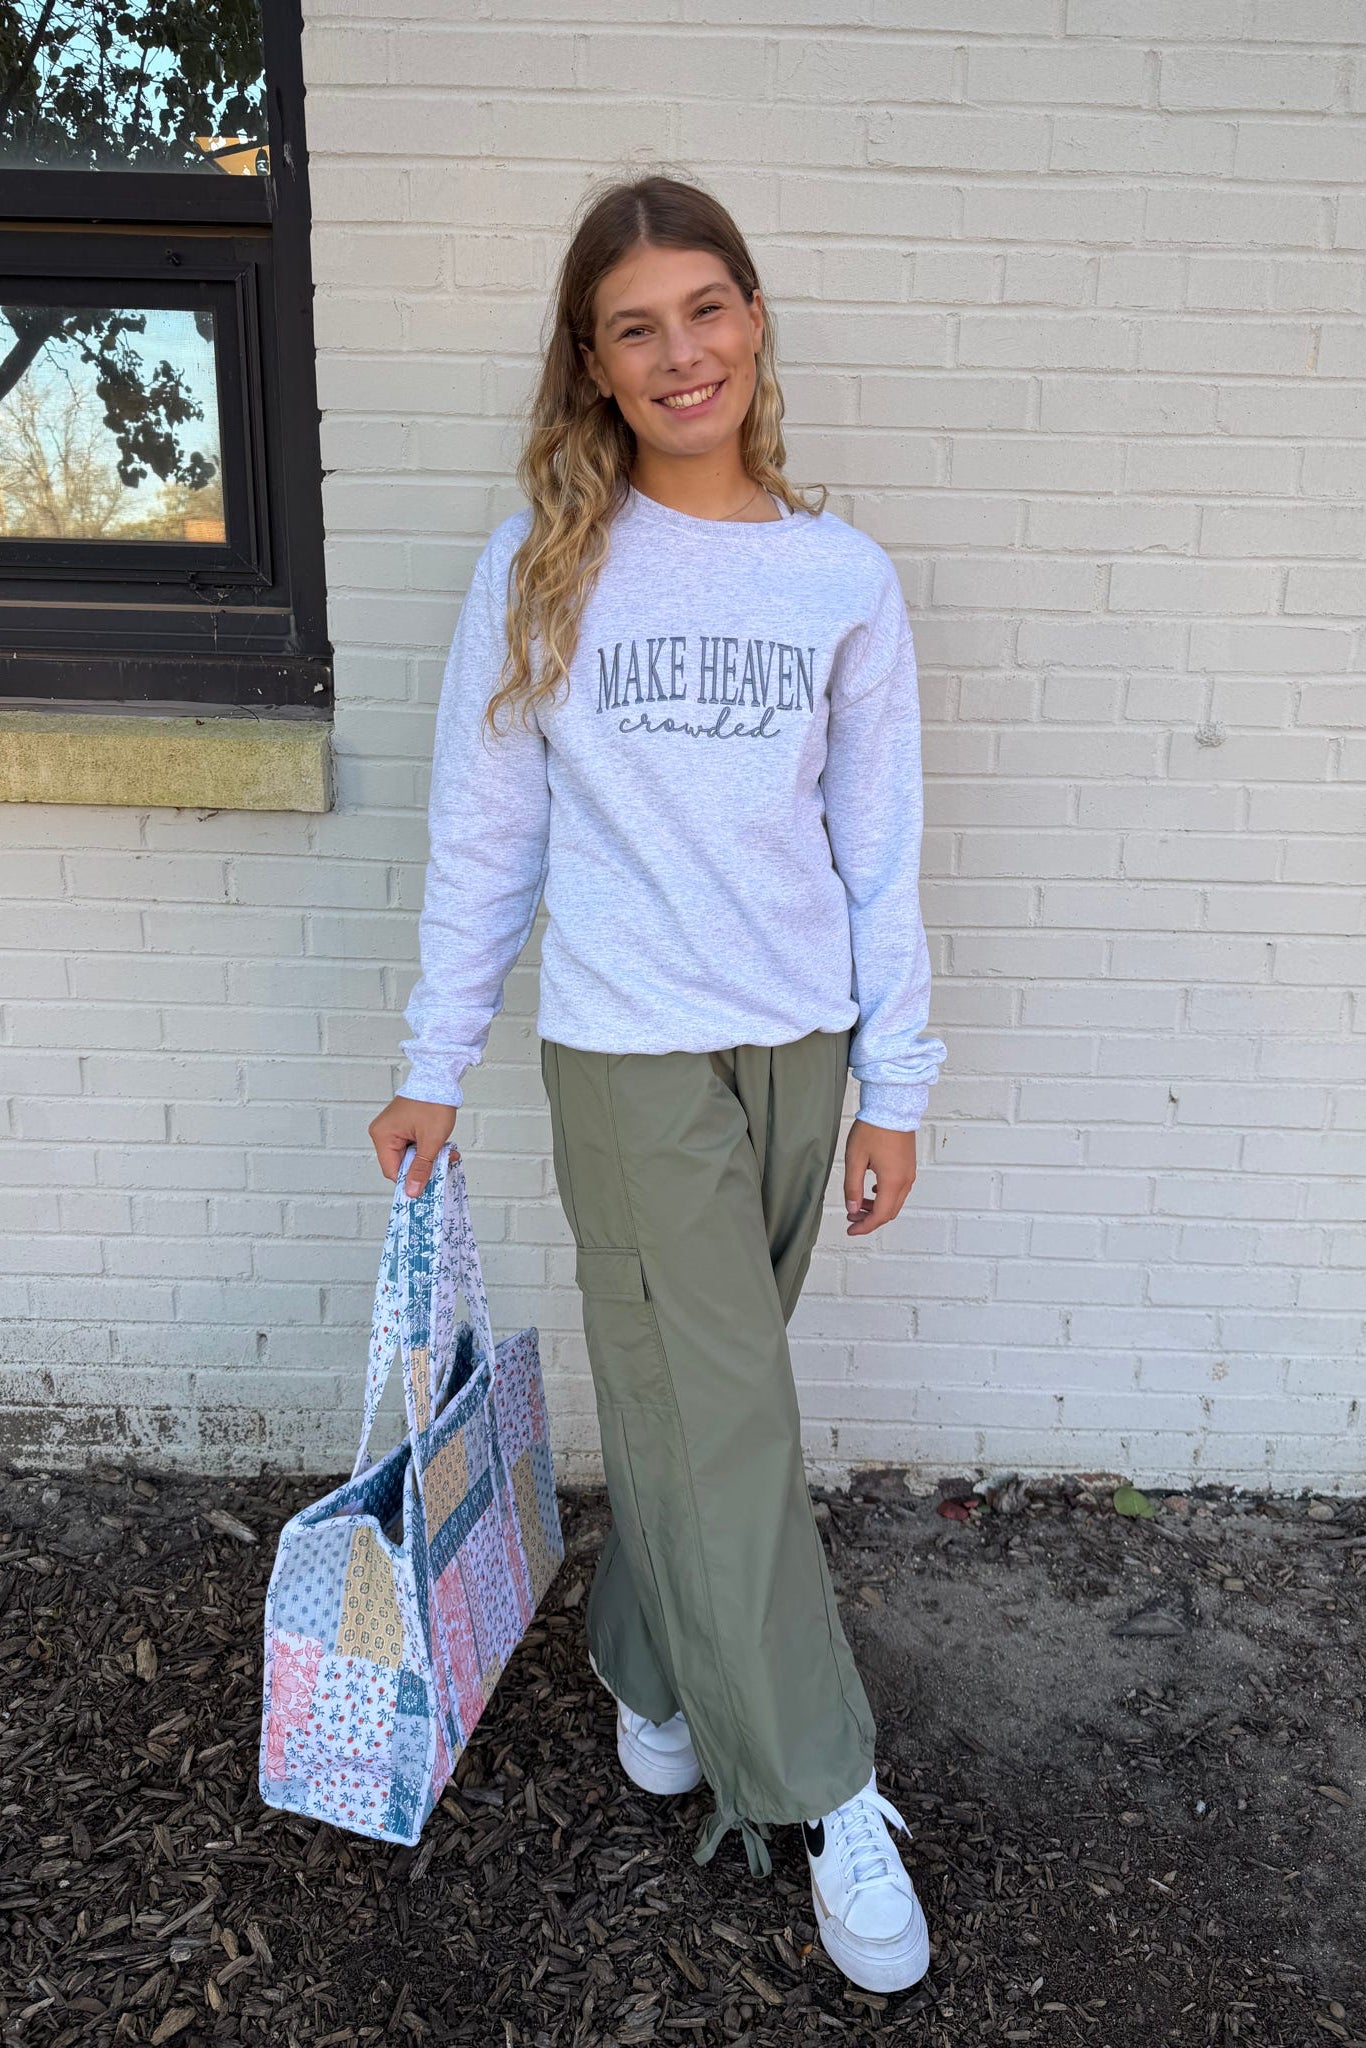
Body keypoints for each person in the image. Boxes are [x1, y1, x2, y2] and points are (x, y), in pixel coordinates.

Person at [368, 172, 946, 1996]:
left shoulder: (838, 577)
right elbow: (489, 830)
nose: (677, 351)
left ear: (752, 321)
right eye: (636, 326)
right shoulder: (545, 557)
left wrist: (891, 1082)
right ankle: (824, 1789)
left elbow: (879, 850)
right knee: (732, 1424)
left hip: (792, 1048)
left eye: (705, 308)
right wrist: (428, 1061)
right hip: (624, 1056)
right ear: (595, 364)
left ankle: (639, 1660)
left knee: (707, 1409)